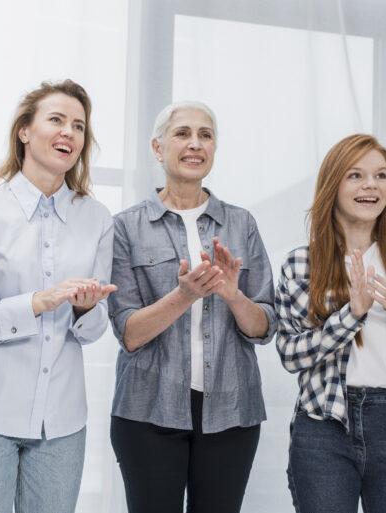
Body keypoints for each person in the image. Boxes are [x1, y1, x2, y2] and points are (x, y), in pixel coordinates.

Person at [0, 79, 116, 513]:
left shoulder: (97, 219)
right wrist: (37, 303)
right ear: (24, 130)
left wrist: (84, 308)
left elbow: (95, 330)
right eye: (56, 120)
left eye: (79, 126)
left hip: (61, 420)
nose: (69, 133)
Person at [108, 101, 276, 513]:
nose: (195, 143)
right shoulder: (126, 226)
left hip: (231, 412)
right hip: (147, 411)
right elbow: (129, 332)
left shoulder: (242, 223)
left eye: (206, 134)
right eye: (182, 133)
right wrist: (185, 295)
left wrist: (233, 294)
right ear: (157, 146)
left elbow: (265, 327)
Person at [275, 134, 386, 513]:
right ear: (332, 184)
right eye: (356, 175)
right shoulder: (300, 264)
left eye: (381, 175)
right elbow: (290, 354)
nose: (372, 185)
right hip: (324, 422)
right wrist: (351, 315)